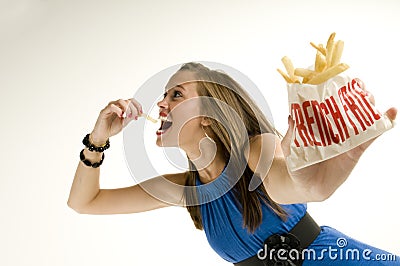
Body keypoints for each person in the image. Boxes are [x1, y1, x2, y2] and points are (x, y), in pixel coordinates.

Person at [68, 62, 399, 265]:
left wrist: (312, 185)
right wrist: (98, 139)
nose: (162, 103)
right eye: (165, 95)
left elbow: (285, 185)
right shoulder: (185, 189)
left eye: (177, 95)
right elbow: (85, 202)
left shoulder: (255, 148)